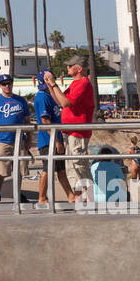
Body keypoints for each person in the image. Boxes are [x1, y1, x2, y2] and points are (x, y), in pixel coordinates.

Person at [41, 56, 95, 199]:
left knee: (80, 165)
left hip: (78, 132)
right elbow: (59, 100)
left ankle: (90, 197)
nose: (67, 68)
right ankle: (78, 198)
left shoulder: (83, 83)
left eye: (70, 66)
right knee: (72, 167)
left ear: (79, 68)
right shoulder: (75, 83)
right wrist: (50, 86)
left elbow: (65, 103)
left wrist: (53, 83)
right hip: (71, 132)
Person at [0, 73, 31, 203]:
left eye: (9, 83)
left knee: (20, 167)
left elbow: (27, 120)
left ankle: (18, 192)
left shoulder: (21, 100)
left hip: (19, 139)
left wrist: (28, 139)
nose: (7, 86)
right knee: (0, 169)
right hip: (2, 140)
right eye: (4, 84)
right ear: (0, 86)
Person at [33, 69, 74, 205]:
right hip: (47, 140)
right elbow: (45, 121)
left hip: (56, 138)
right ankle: (42, 197)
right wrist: (56, 141)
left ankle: (70, 195)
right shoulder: (42, 97)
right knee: (47, 169)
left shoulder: (50, 95)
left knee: (60, 169)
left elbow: (65, 104)